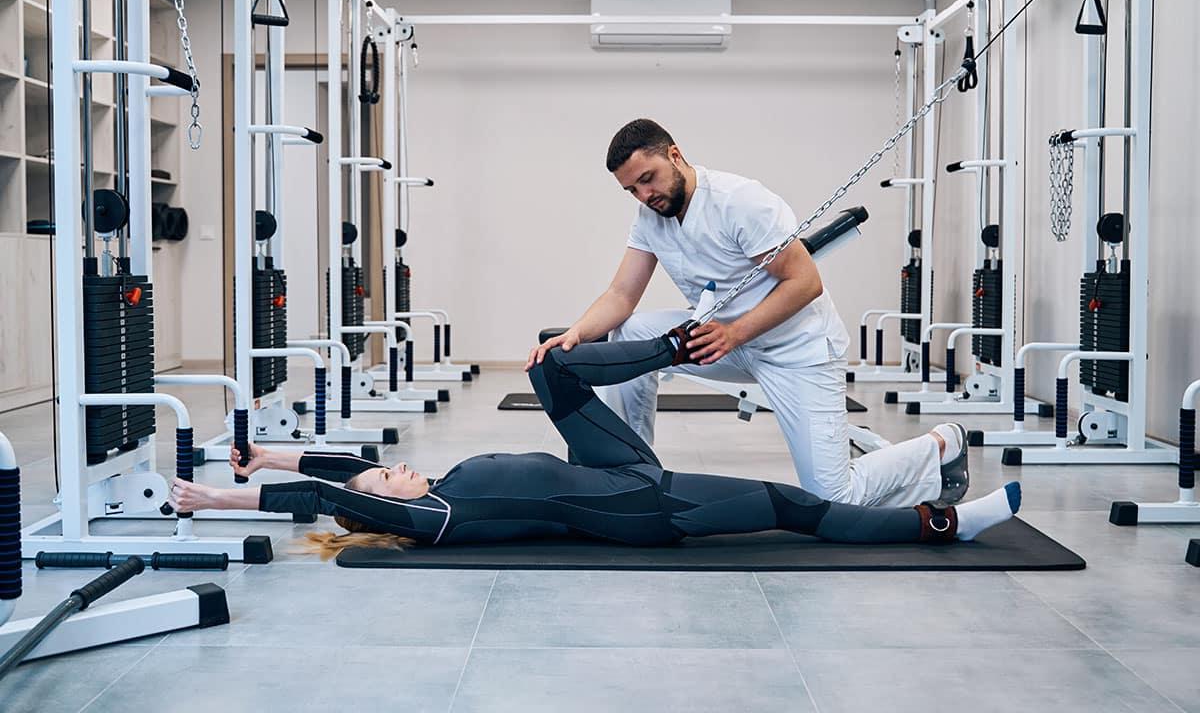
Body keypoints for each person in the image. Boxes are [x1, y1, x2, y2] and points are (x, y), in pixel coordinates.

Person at [170, 335, 1019, 556]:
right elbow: (332, 497)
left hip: (610, 468)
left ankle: (674, 347)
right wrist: (219, 501)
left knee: (553, 365)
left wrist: (264, 455)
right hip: (643, 507)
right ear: (385, 508)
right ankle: (947, 525)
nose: (387, 467)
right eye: (385, 476)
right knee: (803, 509)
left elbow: (337, 472)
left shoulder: (422, 488)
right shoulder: (431, 517)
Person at [525, 118, 965, 507]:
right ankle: (630, 471)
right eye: (632, 190)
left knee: (833, 497)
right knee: (630, 330)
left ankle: (939, 447)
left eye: (648, 179)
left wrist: (735, 334)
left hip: (798, 351)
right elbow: (622, 293)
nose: (645, 195)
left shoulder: (740, 201)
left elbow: (806, 282)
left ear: (674, 156)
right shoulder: (650, 218)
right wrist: (577, 334)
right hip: (727, 343)